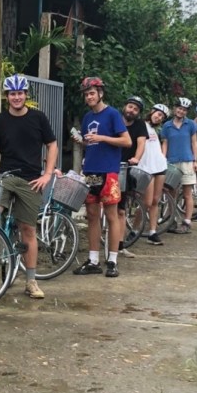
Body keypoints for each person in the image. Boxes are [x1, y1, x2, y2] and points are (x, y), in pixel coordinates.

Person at [0, 74, 58, 299]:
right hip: (5, 176)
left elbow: (52, 145)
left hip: (31, 180)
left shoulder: (38, 118)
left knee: (28, 230)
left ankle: (31, 281)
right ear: (7, 96)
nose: (17, 97)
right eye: (13, 94)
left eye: (20, 93)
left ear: (26, 95)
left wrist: (47, 174)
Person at [72, 77, 131, 278]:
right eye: (86, 94)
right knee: (92, 215)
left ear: (100, 93)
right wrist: (82, 141)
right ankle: (93, 259)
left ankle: (112, 260)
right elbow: (92, 144)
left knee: (112, 215)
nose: (89, 97)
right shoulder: (87, 117)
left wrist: (102, 138)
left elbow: (126, 141)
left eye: (92, 93)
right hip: (91, 171)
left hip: (109, 171)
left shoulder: (113, 114)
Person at [116, 96, 148, 258]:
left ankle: (120, 246)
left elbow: (141, 144)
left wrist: (136, 158)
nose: (131, 111)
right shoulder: (115, 119)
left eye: (135, 109)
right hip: (108, 166)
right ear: (125, 107)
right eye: (130, 107)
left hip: (125, 169)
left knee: (121, 211)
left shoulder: (140, 125)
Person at [160, 97, 197, 234]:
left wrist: (195, 160)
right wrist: (163, 159)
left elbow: (194, 143)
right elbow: (165, 143)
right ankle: (172, 219)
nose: (181, 111)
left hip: (187, 160)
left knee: (187, 193)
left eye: (184, 110)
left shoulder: (191, 124)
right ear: (175, 109)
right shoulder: (167, 126)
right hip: (172, 161)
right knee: (171, 193)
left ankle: (187, 221)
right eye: (180, 108)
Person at [138, 103, 170, 246]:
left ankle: (152, 231)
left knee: (156, 201)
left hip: (159, 167)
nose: (158, 117)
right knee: (146, 202)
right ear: (151, 112)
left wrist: (163, 157)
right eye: (157, 114)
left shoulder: (156, 130)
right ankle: (134, 229)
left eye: (161, 116)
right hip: (146, 168)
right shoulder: (141, 125)